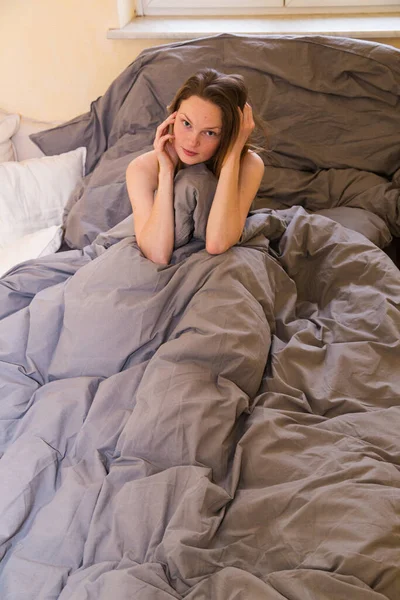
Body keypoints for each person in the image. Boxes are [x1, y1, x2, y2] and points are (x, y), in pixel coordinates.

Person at [126, 68, 265, 265]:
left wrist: (233, 153)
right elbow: (157, 255)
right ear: (173, 116)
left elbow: (217, 243)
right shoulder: (141, 168)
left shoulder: (250, 164)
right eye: (186, 124)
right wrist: (166, 172)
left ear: (228, 134)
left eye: (210, 133)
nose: (192, 142)